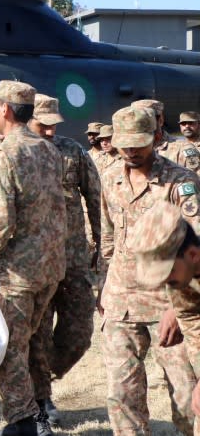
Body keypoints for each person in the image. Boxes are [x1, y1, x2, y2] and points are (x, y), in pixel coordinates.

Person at [98, 105, 200, 435]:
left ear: (157, 137)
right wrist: (104, 283)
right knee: (121, 394)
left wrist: (175, 308)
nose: (130, 150)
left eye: (138, 142)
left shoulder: (180, 182)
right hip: (121, 301)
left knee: (185, 394)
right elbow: (110, 236)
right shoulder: (110, 178)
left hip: (166, 302)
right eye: (124, 142)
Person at [0, 80, 66, 436]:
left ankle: (23, 422)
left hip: (19, 272)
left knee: (9, 347)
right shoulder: (48, 149)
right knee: (32, 340)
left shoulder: (4, 154)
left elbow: (1, 218)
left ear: (7, 109)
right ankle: (38, 412)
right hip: (50, 266)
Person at [27, 94, 101, 427]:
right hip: (36, 260)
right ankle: (41, 398)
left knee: (79, 332)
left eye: (53, 126)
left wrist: (102, 243)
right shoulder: (18, 153)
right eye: (42, 126)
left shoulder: (73, 151)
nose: (49, 133)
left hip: (73, 258)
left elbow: (95, 198)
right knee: (37, 334)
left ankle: (45, 377)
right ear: (28, 121)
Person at [131, 202, 200, 419]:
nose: (165, 281)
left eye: (167, 272)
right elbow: (193, 321)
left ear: (192, 254)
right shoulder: (181, 280)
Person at [132, 99, 200, 174]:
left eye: (147, 120)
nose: (140, 125)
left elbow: (197, 178)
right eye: (135, 120)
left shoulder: (183, 149)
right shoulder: (126, 151)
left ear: (160, 120)